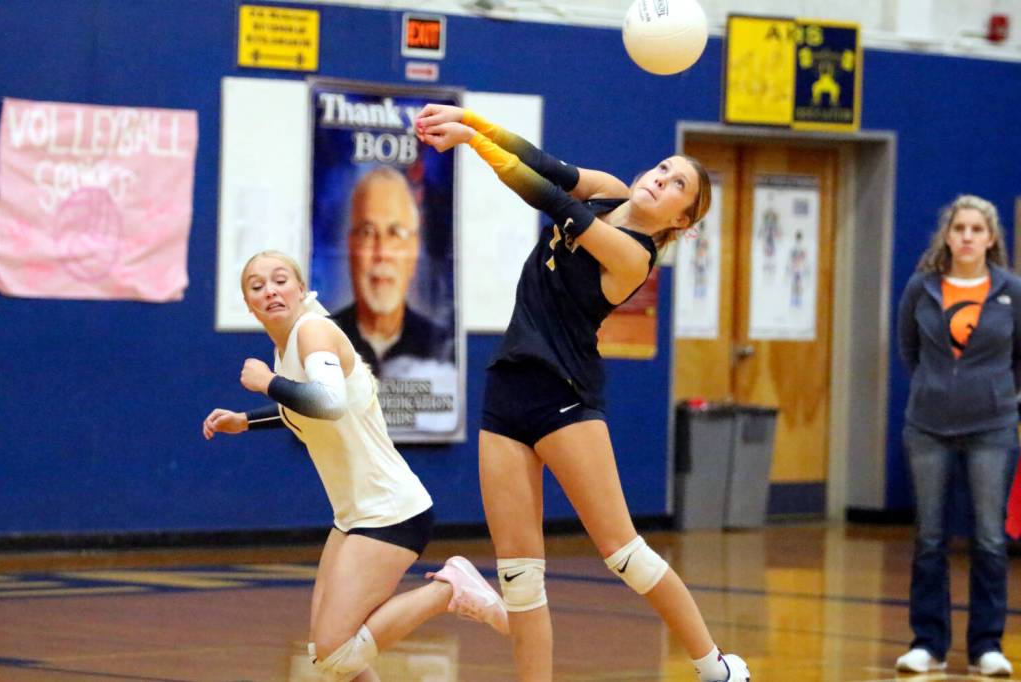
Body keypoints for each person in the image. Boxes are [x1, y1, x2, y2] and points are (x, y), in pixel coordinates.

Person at [415, 104, 750, 682]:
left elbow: (552, 201)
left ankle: (713, 666)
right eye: (663, 168)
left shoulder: (633, 256)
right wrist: (475, 121)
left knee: (623, 553)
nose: (660, 180)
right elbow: (542, 165)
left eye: (677, 187)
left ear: (682, 221)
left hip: (564, 394)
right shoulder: (613, 190)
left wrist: (472, 141)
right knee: (519, 576)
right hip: (508, 386)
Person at [202, 250, 506, 681]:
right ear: (249, 305)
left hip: (389, 512)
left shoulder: (313, 332)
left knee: (336, 653)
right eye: (256, 285)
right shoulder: (286, 348)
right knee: (332, 657)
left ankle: (449, 588)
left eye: (280, 279)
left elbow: (328, 402)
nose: (269, 289)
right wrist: (246, 421)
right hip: (353, 517)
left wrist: (266, 384)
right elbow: (308, 407)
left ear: (302, 289)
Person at [895, 195, 1021, 677]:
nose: (967, 236)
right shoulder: (921, 289)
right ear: (947, 235)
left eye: (976, 229)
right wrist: (939, 389)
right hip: (928, 428)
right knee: (930, 538)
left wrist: (994, 395)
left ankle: (987, 645)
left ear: (991, 238)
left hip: (992, 429)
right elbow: (910, 351)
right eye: (959, 228)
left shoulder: (1010, 290)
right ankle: (928, 644)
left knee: (989, 538)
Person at [329, 166, 454, 377]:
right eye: (368, 233)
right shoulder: (320, 338)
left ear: (414, 250)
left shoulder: (444, 349)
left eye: (395, 234)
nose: (382, 252)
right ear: (350, 247)